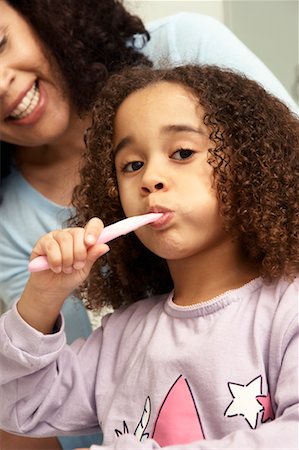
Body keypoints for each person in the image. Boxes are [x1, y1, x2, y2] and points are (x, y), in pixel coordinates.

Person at [0, 0, 298, 449]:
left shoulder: (287, 310)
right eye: (132, 164)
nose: (151, 178)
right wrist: (42, 301)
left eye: (182, 153)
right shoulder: (122, 337)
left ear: (250, 168)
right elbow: (21, 407)